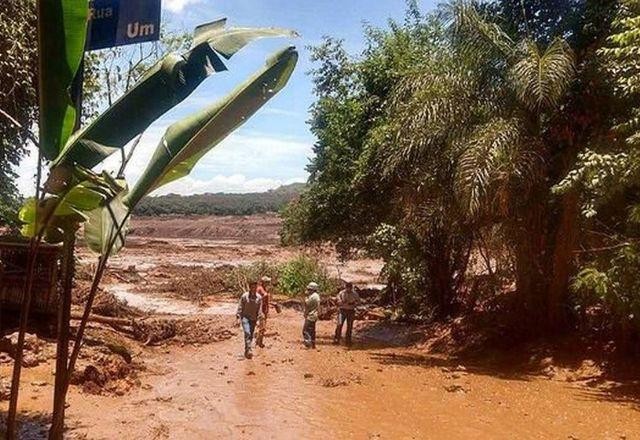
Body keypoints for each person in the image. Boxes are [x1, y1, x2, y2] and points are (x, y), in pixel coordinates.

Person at [236, 281, 264, 359]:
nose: (254, 289)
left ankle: (247, 349)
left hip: (253, 319)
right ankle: (249, 350)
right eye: (252, 287)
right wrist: (238, 317)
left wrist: (259, 320)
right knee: (247, 332)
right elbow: (240, 307)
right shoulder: (244, 296)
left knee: (250, 335)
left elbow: (259, 310)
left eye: (255, 287)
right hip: (245, 317)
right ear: (250, 287)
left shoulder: (259, 298)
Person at [333, 281, 360, 346]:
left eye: (350, 288)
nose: (349, 289)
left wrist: (353, 303)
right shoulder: (341, 293)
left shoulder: (355, 294)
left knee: (350, 326)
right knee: (339, 324)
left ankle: (348, 340)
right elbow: (338, 301)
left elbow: (358, 302)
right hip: (342, 310)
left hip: (351, 311)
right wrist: (343, 302)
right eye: (347, 287)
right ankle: (337, 338)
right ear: (346, 287)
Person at [302, 282, 321, 349]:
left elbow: (307, 304)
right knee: (312, 330)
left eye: (309, 289)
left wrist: (306, 297)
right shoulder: (316, 296)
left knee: (305, 330)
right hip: (314, 315)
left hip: (311, 315)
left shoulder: (313, 296)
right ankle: (313, 344)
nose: (308, 290)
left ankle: (308, 344)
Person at [256, 276, 272, 348]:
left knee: (262, 327)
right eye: (267, 282)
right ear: (263, 282)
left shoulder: (263, 288)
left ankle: (259, 341)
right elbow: (261, 298)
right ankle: (259, 343)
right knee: (262, 327)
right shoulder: (260, 289)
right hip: (261, 311)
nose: (268, 283)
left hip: (264, 310)